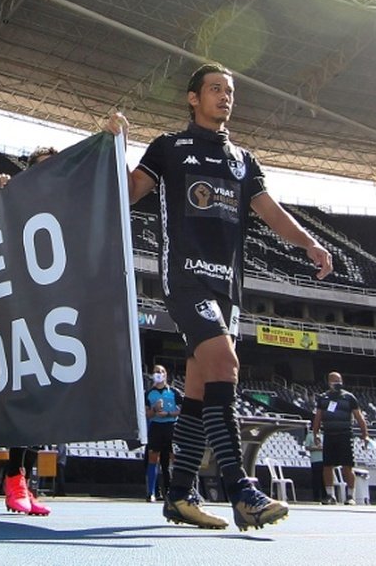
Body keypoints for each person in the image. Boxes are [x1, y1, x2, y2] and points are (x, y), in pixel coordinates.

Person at [114, 62, 333, 531]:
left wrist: (309, 242)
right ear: (193, 98)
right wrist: (117, 148)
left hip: (228, 287)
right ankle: (240, 489)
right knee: (226, 364)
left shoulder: (243, 159)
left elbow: (269, 210)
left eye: (229, 91)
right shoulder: (169, 147)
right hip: (186, 276)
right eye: (215, 89)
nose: (225, 97)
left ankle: (178, 495)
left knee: (198, 388)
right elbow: (131, 191)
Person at [0, 150, 58, 516]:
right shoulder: (14, 198)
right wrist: (0, 192)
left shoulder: (66, 205)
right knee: (24, 392)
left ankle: (23, 481)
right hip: (17, 308)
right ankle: (13, 477)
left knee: (40, 397)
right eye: (41, 167)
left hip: (53, 311)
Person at [313, 371, 368, 505]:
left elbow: (359, 417)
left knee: (347, 466)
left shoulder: (349, 397)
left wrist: (364, 435)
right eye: (334, 381)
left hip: (345, 435)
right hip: (329, 435)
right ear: (329, 382)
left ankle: (350, 496)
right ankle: (330, 495)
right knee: (327, 466)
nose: (336, 384)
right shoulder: (323, 398)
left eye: (338, 381)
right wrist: (316, 433)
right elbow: (318, 417)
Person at [145, 364, 182, 502]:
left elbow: (183, 410)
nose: (158, 374)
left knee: (174, 457)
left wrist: (168, 413)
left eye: (161, 372)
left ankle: (177, 490)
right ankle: (151, 492)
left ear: (165, 375)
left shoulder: (174, 392)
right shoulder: (149, 393)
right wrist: (154, 409)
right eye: (156, 372)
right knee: (153, 457)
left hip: (171, 426)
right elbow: (146, 414)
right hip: (156, 427)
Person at [303, 422, 324, 502]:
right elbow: (307, 447)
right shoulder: (310, 435)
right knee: (316, 479)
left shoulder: (323, 435)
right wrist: (317, 448)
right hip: (315, 460)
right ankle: (316, 498)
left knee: (323, 480)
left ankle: (325, 496)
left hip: (323, 460)